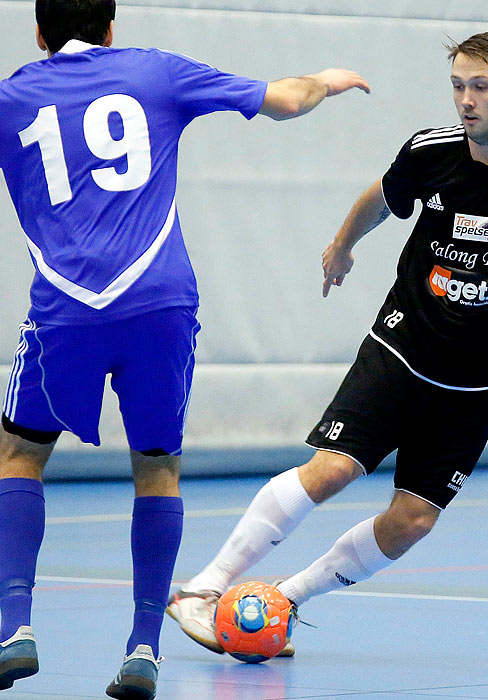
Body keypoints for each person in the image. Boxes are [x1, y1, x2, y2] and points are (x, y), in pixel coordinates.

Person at [166, 31, 488, 657]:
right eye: (458, 86)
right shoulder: (431, 152)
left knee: (414, 520)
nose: (466, 101)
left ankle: (287, 599)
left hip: (476, 381)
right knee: (334, 470)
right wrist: (341, 246)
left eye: (481, 87)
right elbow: (381, 199)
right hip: (402, 347)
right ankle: (202, 588)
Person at [0, 0, 370, 696]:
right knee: (157, 467)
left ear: (40, 33)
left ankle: (13, 625)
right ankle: (144, 649)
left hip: (66, 308)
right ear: (111, 28)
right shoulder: (155, 72)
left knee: (20, 453)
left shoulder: (13, 96)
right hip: (160, 303)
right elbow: (286, 100)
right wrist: (323, 77)